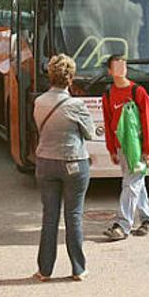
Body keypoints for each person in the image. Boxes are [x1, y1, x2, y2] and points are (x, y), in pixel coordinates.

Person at [32, 54, 96, 282]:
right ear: (71, 78)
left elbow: (40, 128)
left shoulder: (39, 102)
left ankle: (44, 270)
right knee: (74, 216)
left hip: (45, 162)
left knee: (49, 218)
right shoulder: (75, 104)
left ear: (50, 75)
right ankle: (78, 268)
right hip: (73, 162)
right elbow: (90, 132)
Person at [101, 54, 149, 241]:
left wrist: (148, 149)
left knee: (131, 184)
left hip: (137, 148)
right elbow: (109, 123)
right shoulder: (108, 95)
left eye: (123, 65)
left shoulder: (138, 92)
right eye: (116, 66)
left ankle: (122, 225)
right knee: (135, 183)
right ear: (110, 71)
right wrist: (111, 149)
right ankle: (148, 219)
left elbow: (148, 121)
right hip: (121, 147)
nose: (120, 69)